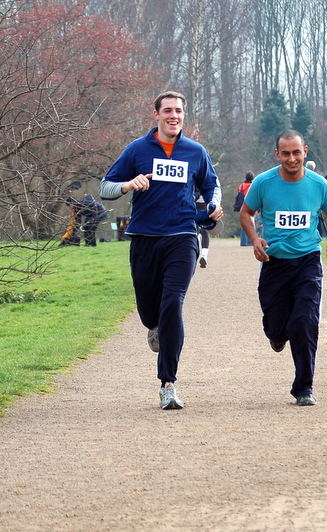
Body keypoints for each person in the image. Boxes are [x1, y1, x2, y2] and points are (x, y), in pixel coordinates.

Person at [99, 90, 223, 410]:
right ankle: (153, 327)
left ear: (184, 115)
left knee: (173, 303)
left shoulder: (195, 151)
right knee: (150, 312)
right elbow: (106, 187)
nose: (174, 115)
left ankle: (168, 383)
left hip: (183, 236)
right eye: (167, 110)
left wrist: (214, 204)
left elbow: (212, 185)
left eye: (179, 111)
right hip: (144, 239)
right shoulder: (137, 150)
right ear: (156, 115)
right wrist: (129, 185)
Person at [239, 130, 327, 407]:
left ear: (305, 151)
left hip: (308, 261)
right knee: (276, 326)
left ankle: (304, 387)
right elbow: (245, 213)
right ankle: (276, 335)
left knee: (305, 322)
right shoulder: (263, 183)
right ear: (277, 154)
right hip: (274, 264)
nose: (292, 158)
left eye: (297, 152)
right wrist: (254, 239)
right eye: (286, 153)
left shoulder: (319, 185)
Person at [235, 172, 254, 246]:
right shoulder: (253, 185)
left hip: (242, 206)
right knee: (251, 224)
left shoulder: (241, 186)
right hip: (251, 206)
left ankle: (243, 242)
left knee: (244, 223)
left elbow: (238, 196)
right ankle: (250, 241)